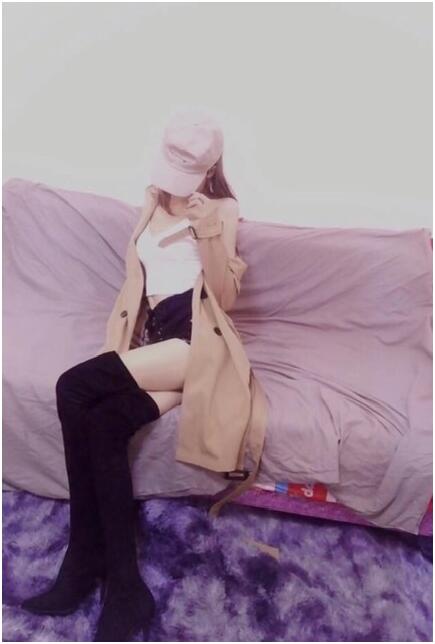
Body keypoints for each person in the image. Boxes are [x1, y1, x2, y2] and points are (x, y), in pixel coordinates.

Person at [20, 108, 244, 641]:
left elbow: (226, 295)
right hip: (152, 343)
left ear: (209, 170)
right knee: (104, 423)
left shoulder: (221, 210)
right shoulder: (150, 199)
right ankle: (124, 583)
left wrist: (207, 229)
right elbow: (136, 286)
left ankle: (82, 558)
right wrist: (120, 347)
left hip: (195, 342)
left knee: (72, 386)